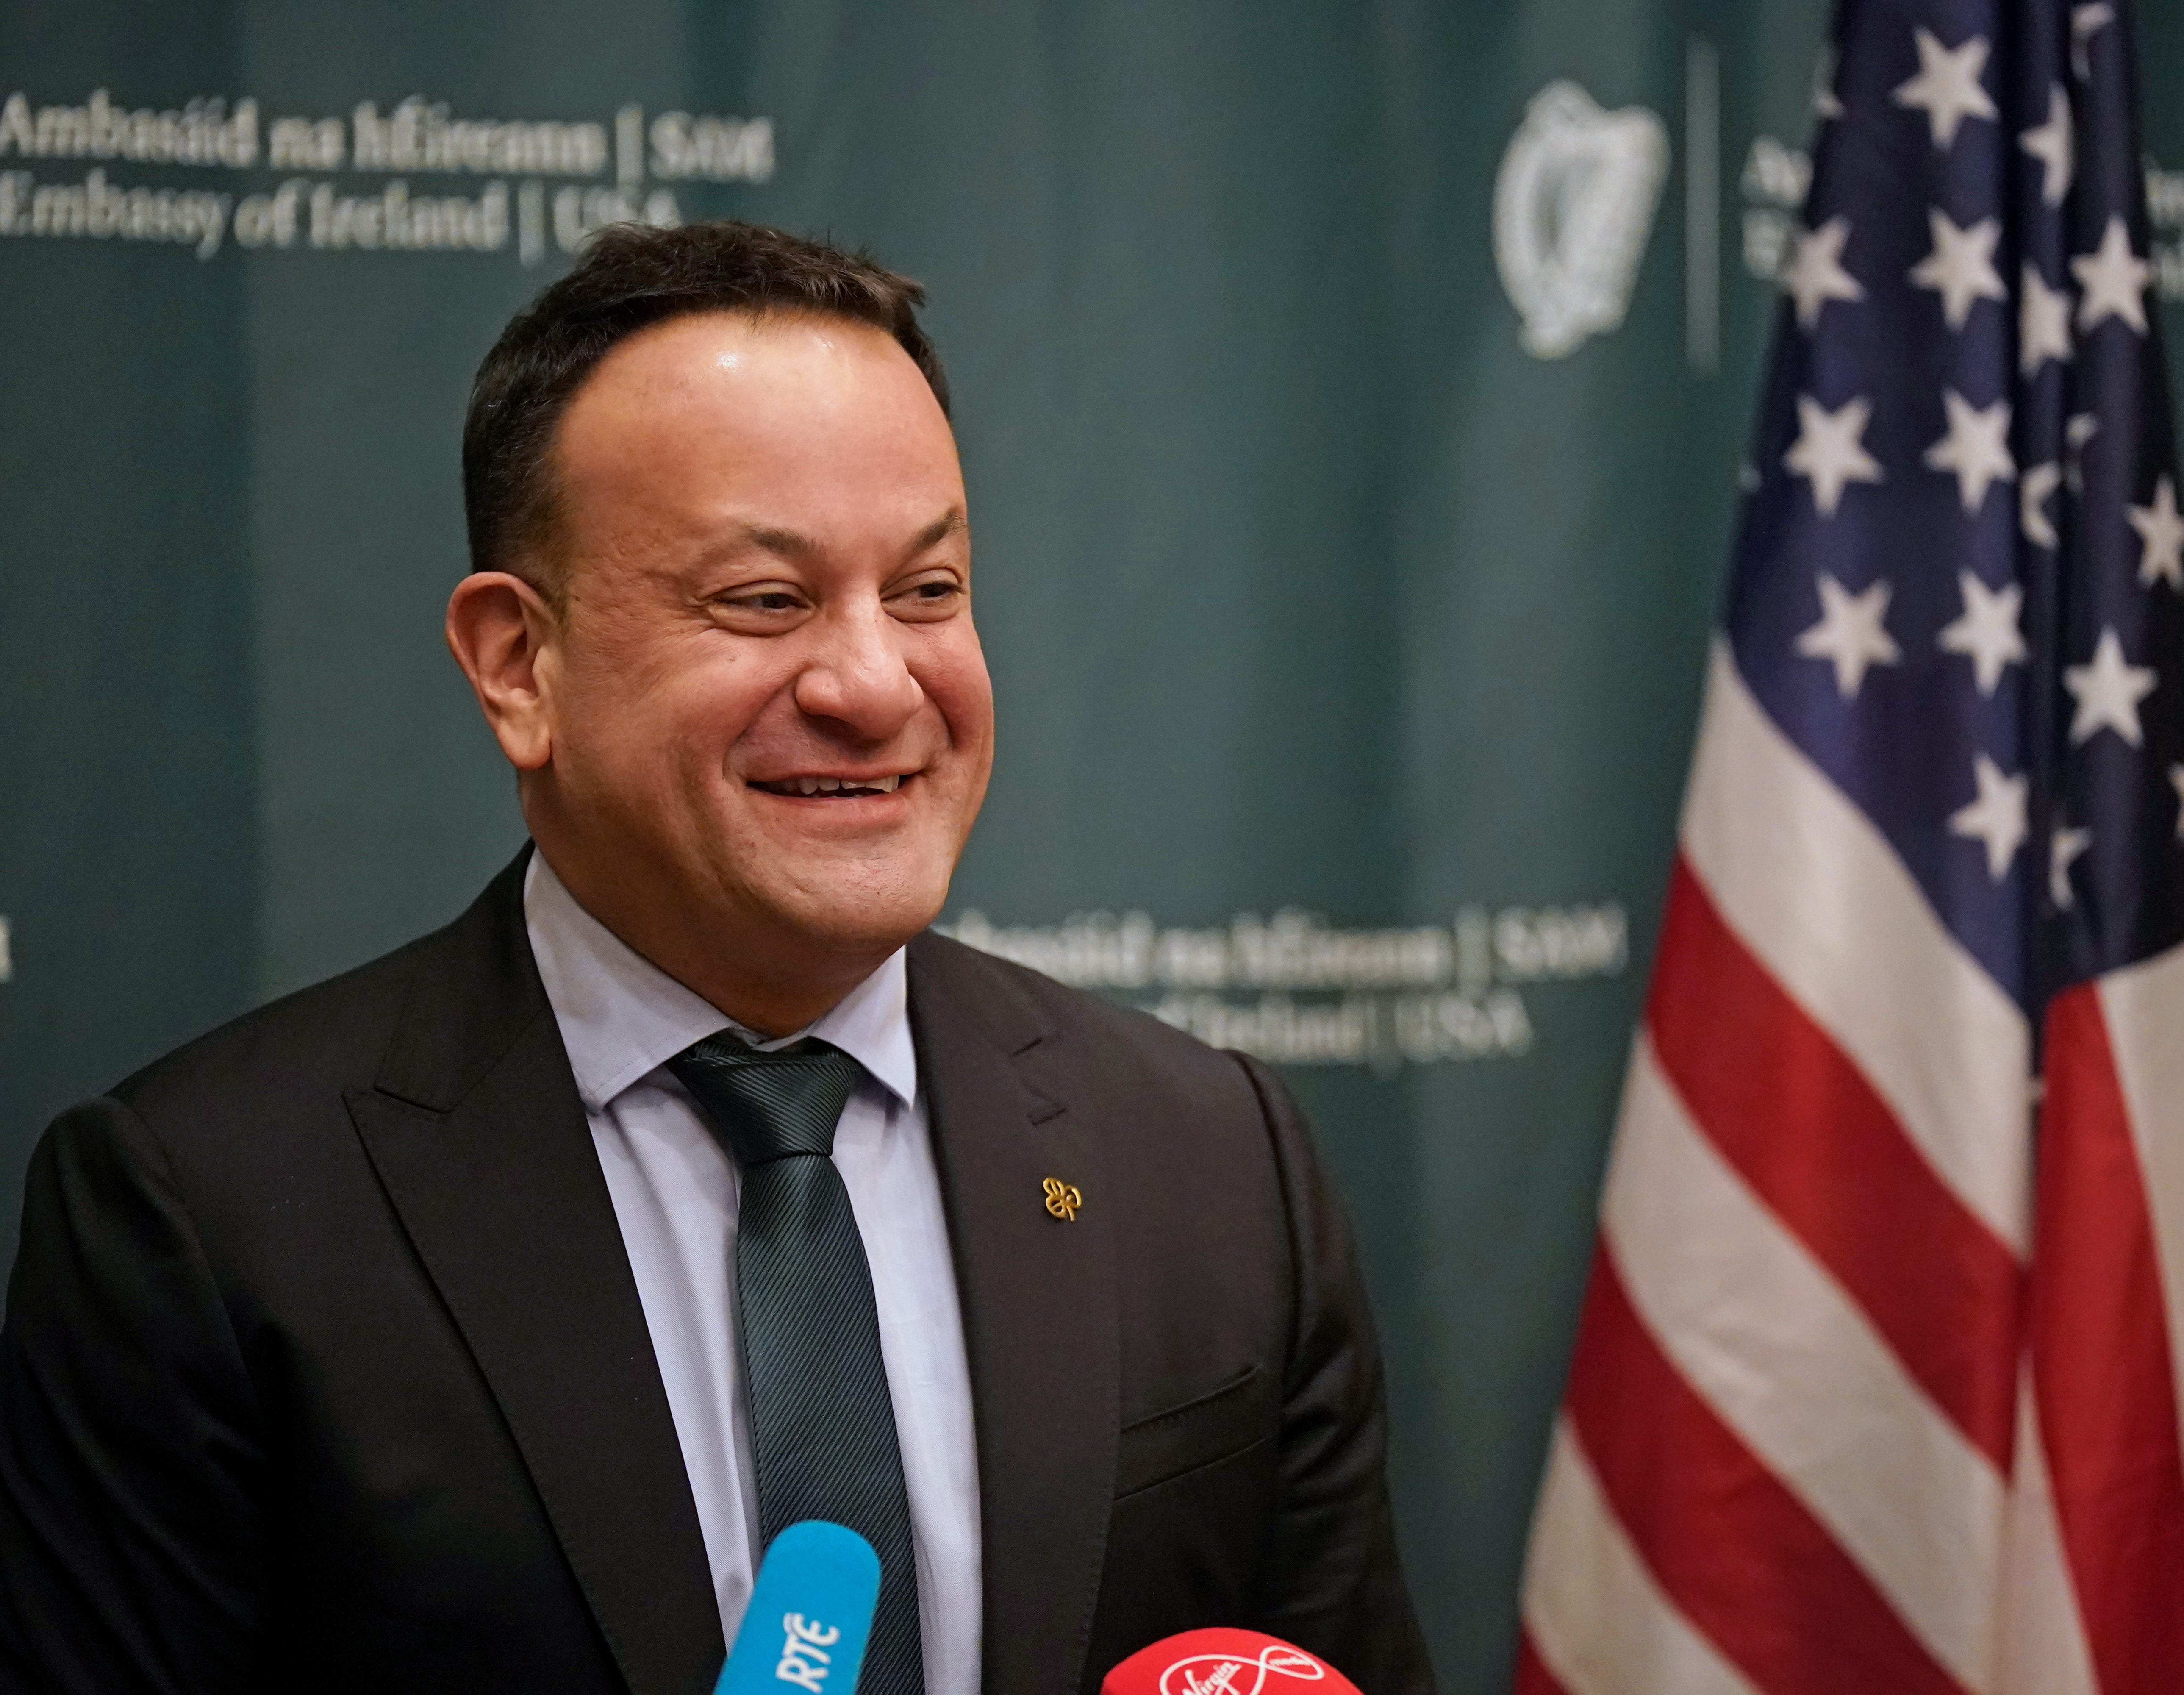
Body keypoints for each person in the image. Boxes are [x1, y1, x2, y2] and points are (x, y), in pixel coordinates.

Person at [0, 221, 1433, 1695]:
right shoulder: (209, 1213)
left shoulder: (1209, 1158)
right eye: (767, 600)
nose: (875, 686)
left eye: (928, 592)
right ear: (518, 664)